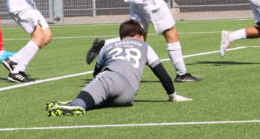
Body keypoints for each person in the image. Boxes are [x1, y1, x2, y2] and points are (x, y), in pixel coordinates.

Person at [46, 20, 191, 116]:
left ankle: (76, 103)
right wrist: (172, 95)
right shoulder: (145, 46)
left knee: (93, 93)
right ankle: (77, 104)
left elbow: (96, 74)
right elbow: (162, 74)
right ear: (138, 36)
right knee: (104, 98)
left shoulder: (107, 47)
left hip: (110, 79)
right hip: (128, 96)